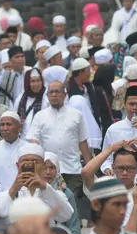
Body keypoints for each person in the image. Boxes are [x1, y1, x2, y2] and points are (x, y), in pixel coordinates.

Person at [28, 81, 92, 217]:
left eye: (57, 92)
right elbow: (34, 142)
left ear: (65, 94)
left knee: (72, 206)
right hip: (47, 170)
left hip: (72, 168)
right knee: (49, 205)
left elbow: (83, 142)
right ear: (47, 95)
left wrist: (90, 166)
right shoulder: (40, 116)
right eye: (51, 92)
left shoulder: (76, 115)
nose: (54, 95)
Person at [0, 142, 73, 222]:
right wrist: (13, 189)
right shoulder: (8, 194)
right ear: (18, 165)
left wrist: (45, 187)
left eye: (35, 161)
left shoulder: (53, 192)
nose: (30, 165)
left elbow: (66, 215)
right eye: (25, 161)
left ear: (43, 166)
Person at [44, 152, 82, 234]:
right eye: (44, 168)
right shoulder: (33, 191)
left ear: (57, 170)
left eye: (52, 167)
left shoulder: (66, 193)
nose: (48, 172)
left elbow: (74, 226)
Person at [0, 111, 28, 190]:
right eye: (2, 125)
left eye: (8, 124)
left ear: (19, 128)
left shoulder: (28, 149)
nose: (5, 128)